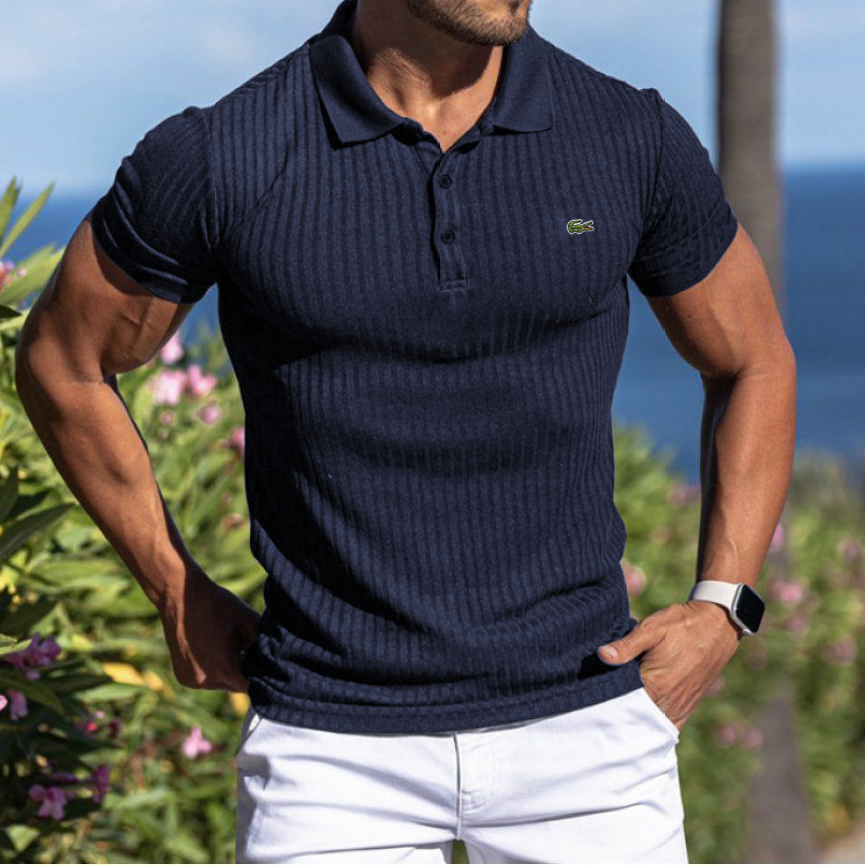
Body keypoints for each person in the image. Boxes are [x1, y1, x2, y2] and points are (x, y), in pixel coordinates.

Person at [15, 0, 797, 861]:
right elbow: (62, 362)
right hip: (329, 752)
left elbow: (753, 361)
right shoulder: (225, 152)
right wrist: (175, 587)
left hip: (588, 729)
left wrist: (723, 605)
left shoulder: (624, 134)